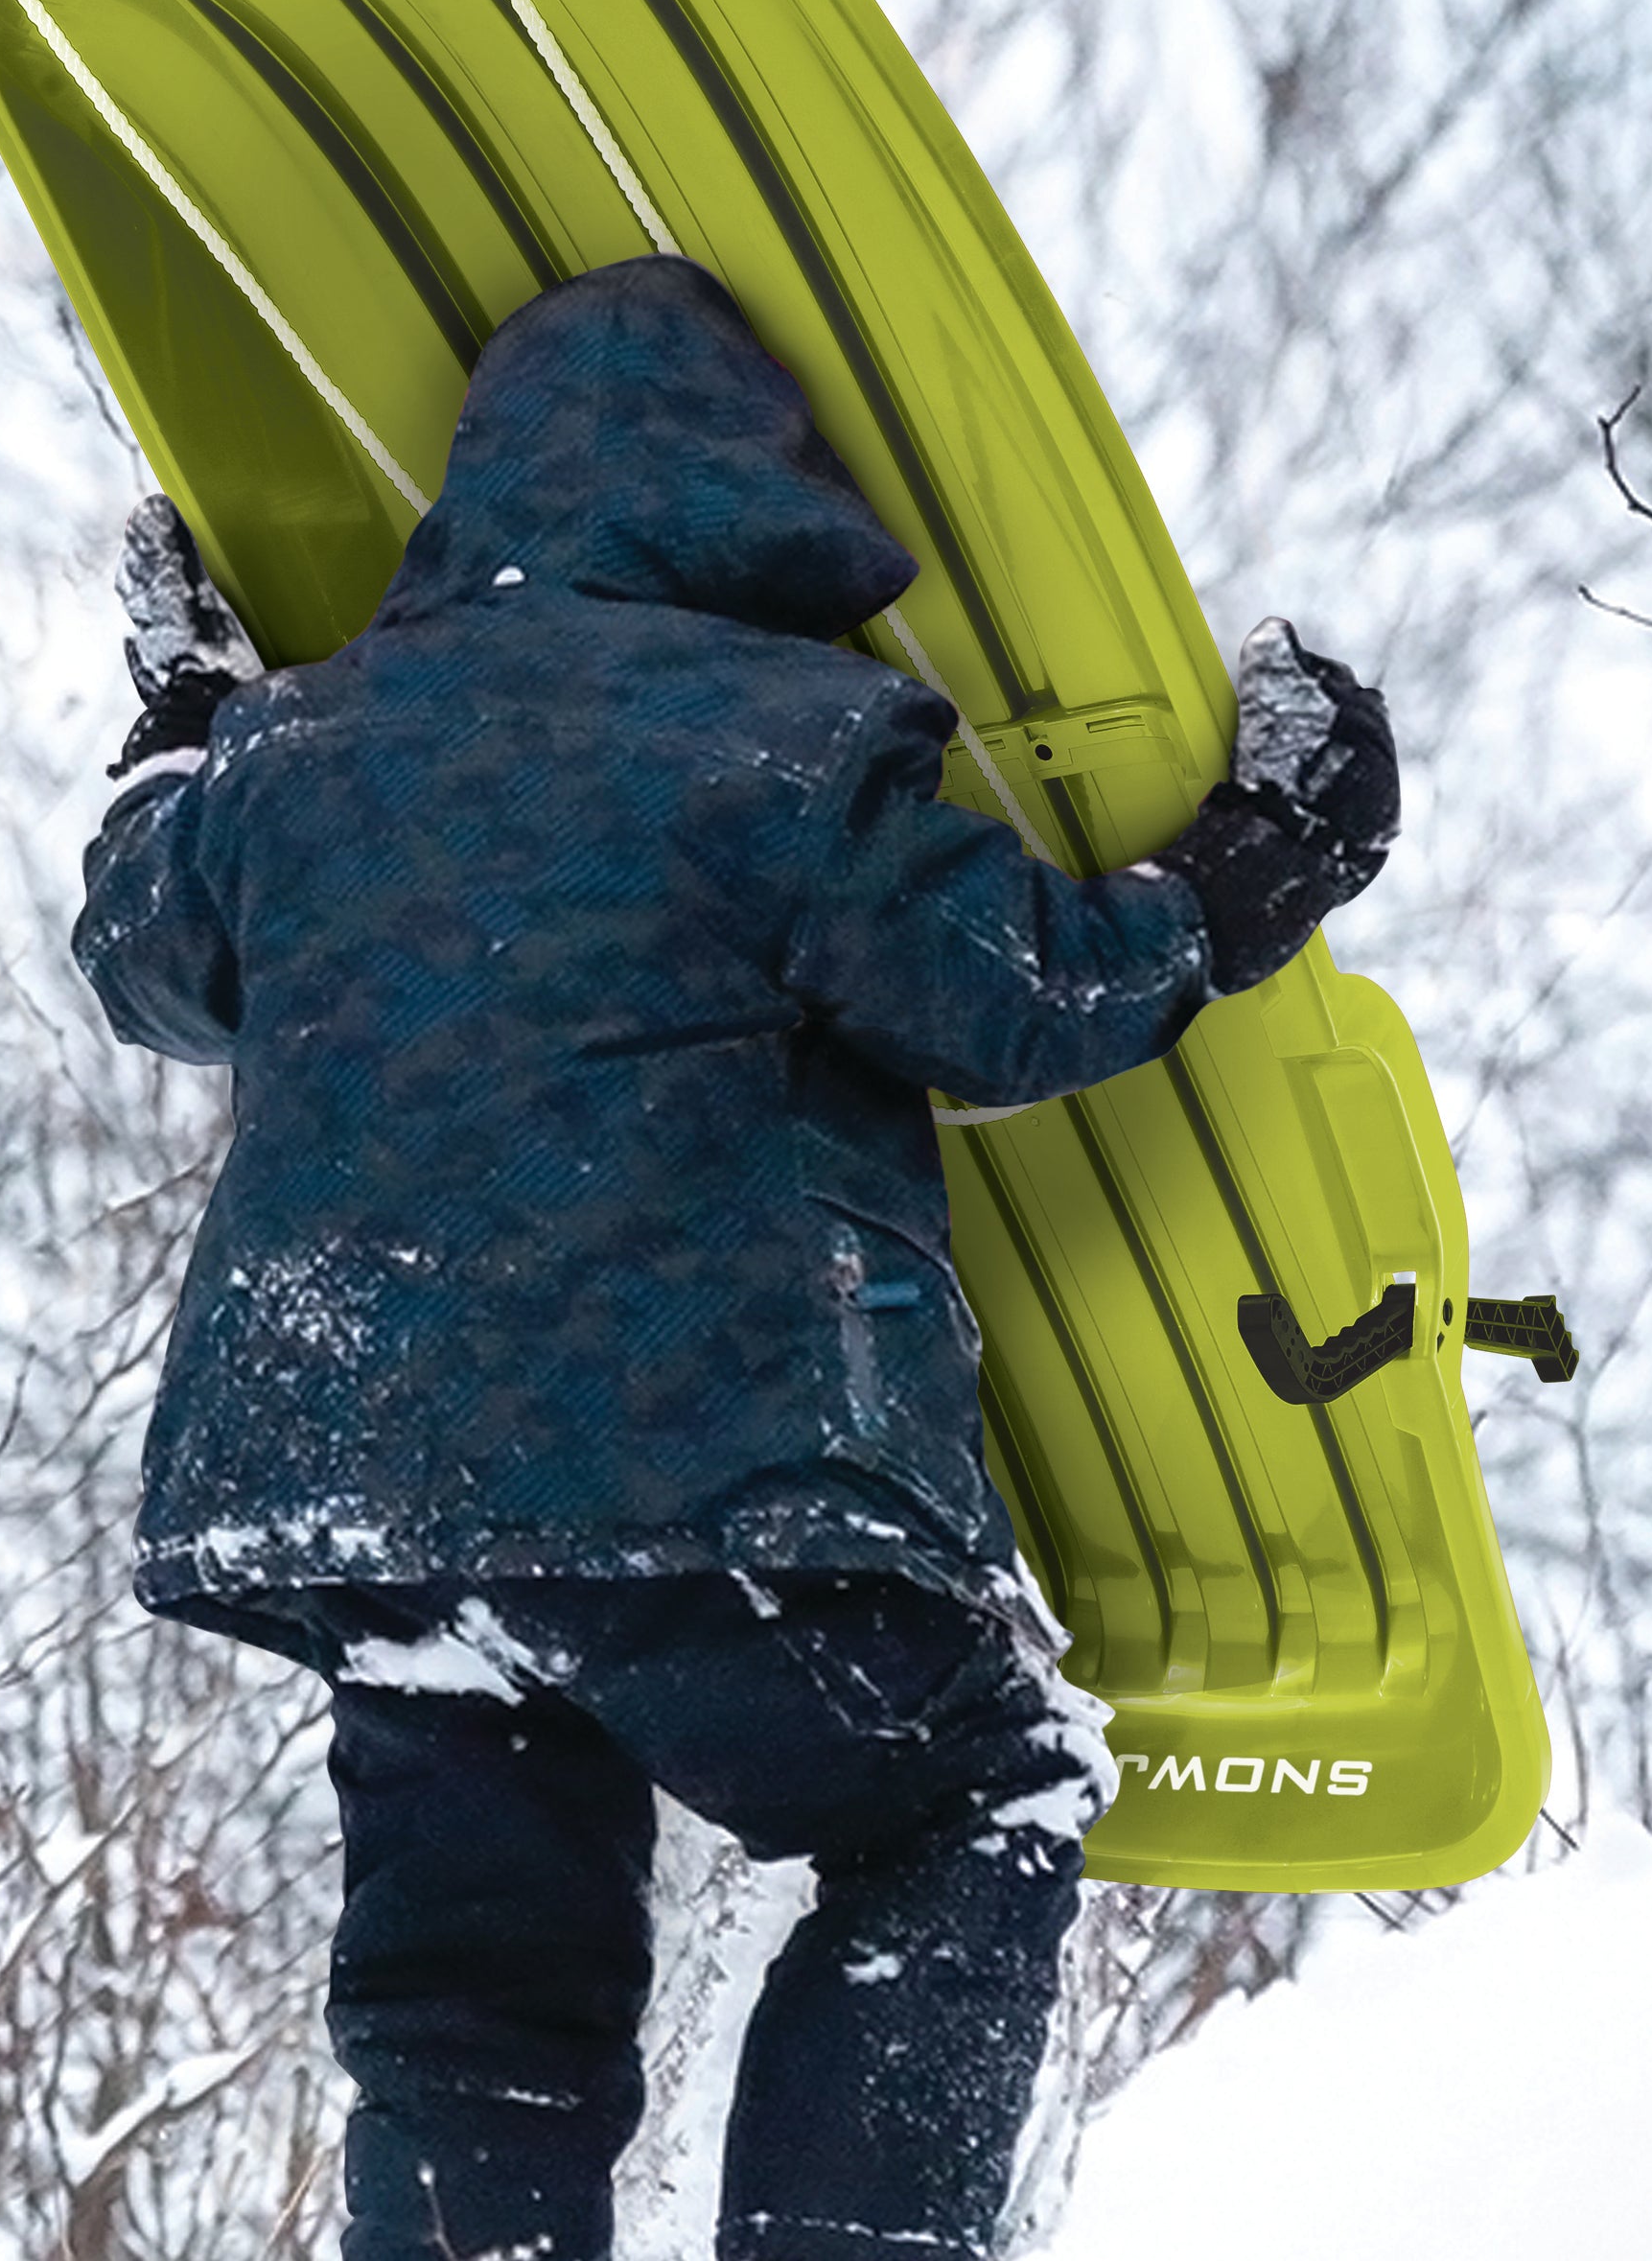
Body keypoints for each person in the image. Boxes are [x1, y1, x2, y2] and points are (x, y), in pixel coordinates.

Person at [73, 255, 1396, 2261]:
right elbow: (1011, 997)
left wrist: (182, 721)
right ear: (760, 502)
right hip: (701, 1471)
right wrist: (1245, 870)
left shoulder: (292, 755)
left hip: (356, 1490)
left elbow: (142, 961)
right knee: (967, 1809)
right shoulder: (790, 739)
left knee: (472, 2016)